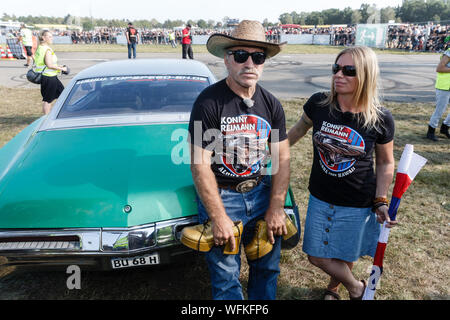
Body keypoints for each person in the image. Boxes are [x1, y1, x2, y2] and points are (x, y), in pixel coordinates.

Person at [188, 20, 290, 300]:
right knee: (225, 276)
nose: (250, 63)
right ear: (227, 58)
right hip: (224, 196)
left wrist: (276, 207)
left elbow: (282, 157)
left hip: (260, 192)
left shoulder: (272, 104)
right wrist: (218, 216)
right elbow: (199, 164)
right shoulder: (207, 103)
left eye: (258, 57)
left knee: (267, 269)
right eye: (241, 55)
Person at [288, 46, 397, 300]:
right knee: (316, 254)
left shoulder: (380, 118)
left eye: (349, 70)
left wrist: (381, 200)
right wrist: (271, 151)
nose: (339, 75)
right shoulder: (319, 104)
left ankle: (333, 289)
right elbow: (297, 131)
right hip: (321, 196)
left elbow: (384, 163)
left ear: (366, 75)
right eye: (336, 68)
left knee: (344, 253)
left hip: (357, 200)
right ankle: (357, 287)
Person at [34, 30, 68, 115]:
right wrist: (62, 69)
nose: (51, 38)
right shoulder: (47, 49)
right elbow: (49, 65)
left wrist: (59, 66)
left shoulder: (40, 48)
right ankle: (46, 119)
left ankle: (59, 114)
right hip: (49, 77)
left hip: (49, 76)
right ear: (43, 38)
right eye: (49, 37)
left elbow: (46, 63)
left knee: (62, 94)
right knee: (48, 99)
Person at [426, 36, 450, 141]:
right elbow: (439, 68)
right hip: (444, 86)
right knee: (440, 110)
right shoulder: (448, 53)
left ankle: (445, 127)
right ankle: (431, 131)